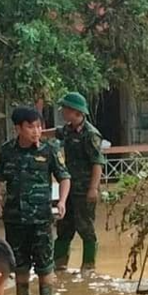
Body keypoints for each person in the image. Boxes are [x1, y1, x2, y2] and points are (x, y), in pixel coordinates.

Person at [0, 104, 68, 295]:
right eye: (31, 127)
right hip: (15, 218)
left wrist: (61, 201)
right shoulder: (6, 151)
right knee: (20, 265)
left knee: (45, 265)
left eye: (39, 127)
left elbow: (64, 177)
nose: (37, 131)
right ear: (18, 128)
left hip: (41, 218)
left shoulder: (49, 150)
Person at [52, 92, 105, 273]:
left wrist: (93, 189)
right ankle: (58, 266)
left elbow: (98, 163)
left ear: (76, 112)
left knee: (86, 228)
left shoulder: (91, 135)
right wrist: (36, 134)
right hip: (68, 189)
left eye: (65, 109)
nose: (62, 112)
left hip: (84, 190)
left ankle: (88, 269)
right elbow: (55, 132)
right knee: (64, 227)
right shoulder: (68, 129)